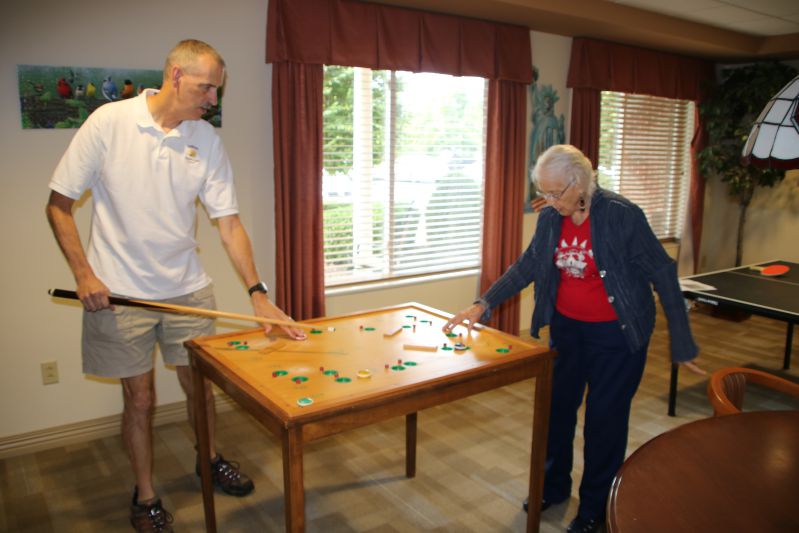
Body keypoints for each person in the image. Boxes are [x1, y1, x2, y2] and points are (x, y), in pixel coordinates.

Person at [46, 39, 307, 532]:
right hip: (120, 293)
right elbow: (58, 205)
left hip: (186, 289)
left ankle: (207, 458)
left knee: (200, 389)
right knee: (140, 399)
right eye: (207, 87)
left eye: (217, 89)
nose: (213, 99)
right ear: (175, 75)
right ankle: (145, 496)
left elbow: (228, 223)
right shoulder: (109, 123)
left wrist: (259, 293)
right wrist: (84, 273)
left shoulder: (204, 138)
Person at [443, 144, 701, 533]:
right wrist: (484, 304)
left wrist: (681, 342)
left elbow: (663, 272)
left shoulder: (621, 216)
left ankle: (596, 509)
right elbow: (528, 264)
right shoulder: (552, 218)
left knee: (604, 423)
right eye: (543, 192)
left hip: (617, 335)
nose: (548, 201)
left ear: (579, 183)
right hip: (568, 330)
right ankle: (554, 486)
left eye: (555, 192)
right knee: (557, 412)